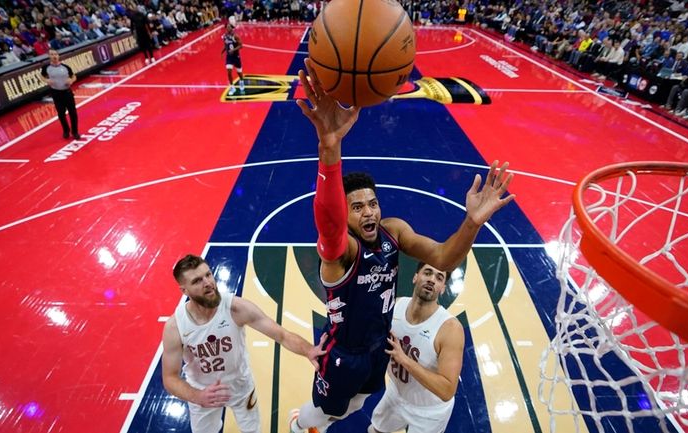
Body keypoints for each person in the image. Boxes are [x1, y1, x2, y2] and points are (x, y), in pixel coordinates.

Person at [288, 58, 514, 433]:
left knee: (360, 401)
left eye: (372, 203)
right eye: (356, 207)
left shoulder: (393, 231)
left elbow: (444, 257)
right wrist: (329, 149)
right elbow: (327, 223)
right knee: (324, 413)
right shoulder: (342, 252)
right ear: (345, 215)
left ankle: (332, 412)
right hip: (343, 352)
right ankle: (301, 426)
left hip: (379, 346)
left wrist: (472, 223)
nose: (368, 212)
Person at [162, 254, 327, 433]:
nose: (208, 283)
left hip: (240, 385)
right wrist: (198, 396)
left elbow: (282, 335)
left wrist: (309, 350)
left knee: (251, 430)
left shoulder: (236, 308)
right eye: (197, 281)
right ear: (184, 290)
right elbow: (170, 377)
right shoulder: (175, 326)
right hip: (202, 391)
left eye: (208, 275)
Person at [368, 262, 464, 433]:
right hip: (396, 394)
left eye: (439, 277)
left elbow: (447, 390)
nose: (432, 280)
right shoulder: (395, 306)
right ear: (415, 277)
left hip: (429, 412)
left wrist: (404, 360)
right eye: (427, 272)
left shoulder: (450, 329)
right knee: (376, 430)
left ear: (442, 288)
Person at [40, 49, 80, 140]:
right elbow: (41, 76)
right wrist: (46, 80)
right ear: (49, 56)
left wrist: (71, 80)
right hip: (56, 93)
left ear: (58, 56)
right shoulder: (46, 68)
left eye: (55, 54)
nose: (54, 56)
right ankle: (66, 130)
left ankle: (75, 132)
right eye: (52, 54)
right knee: (61, 114)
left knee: (73, 113)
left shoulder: (65, 67)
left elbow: (74, 76)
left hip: (67, 92)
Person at [222, 24, 244, 94]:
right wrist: (222, 51)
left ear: (232, 28)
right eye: (227, 27)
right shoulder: (225, 36)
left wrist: (233, 50)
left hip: (236, 56)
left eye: (229, 27)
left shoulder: (235, 36)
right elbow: (226, 45)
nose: (228, 28)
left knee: (239, 73)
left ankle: (241, 81)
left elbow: (241, 45)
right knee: (229, 72)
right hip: (229, 57)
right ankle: (232, 87)